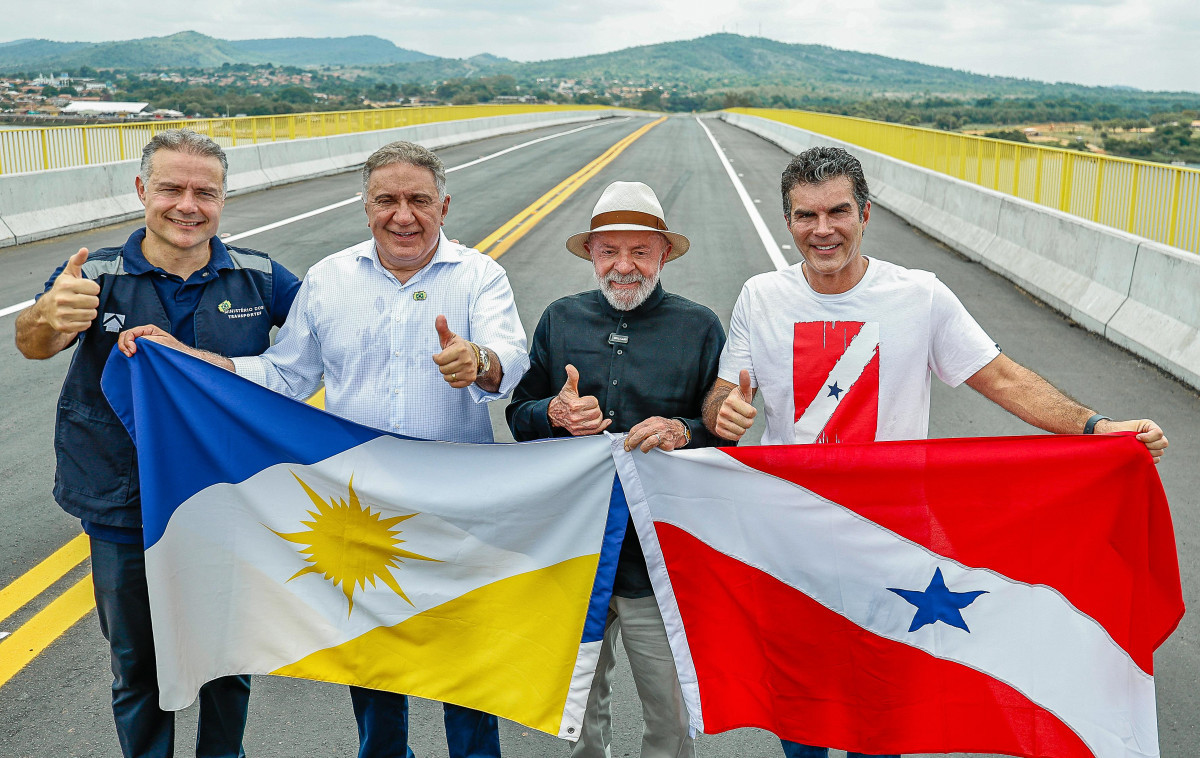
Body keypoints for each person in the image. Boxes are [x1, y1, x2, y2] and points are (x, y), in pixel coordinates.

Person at [701, 145, 1168, 758]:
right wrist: (721, 413)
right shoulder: (760, 296)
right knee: (802, 709)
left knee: (884, 709)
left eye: (837, 211)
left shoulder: (919, 295)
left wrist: (1093, 426)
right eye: (805, 216)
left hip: (893, 540)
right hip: (795, 537)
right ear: (787, 221)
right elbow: (721, 394)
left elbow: (999, 377)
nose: (823, 230)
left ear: (865, 213)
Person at [120, 140, 528, 758]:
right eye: (386, 200)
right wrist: (198, 363)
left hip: (453, 506)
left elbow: (512, 362)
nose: (403, 215)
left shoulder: (480, 276)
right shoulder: (330, 278)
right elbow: (286, 375)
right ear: (365, 208)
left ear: (443, 206)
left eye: (419, 200)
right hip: (360, 508)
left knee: (465, 665)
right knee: (374, 665)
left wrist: (480, 362)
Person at [15, 128, 302, 758]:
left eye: (206, 192)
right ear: (143, 190)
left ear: (224, 200)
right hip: (123, 504)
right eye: (171, 188)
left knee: (227, 664)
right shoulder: (94, 278)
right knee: (137, 667)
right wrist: (45, 315)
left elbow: (330, 344)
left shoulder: (259, 278)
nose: (188, 205)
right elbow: (35, 342)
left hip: (229, 500)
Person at [506, 181, 726, 758]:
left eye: (639, 251)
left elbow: (721, 433)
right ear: (592, 254)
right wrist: (553, 412)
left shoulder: (699, 327)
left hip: (662, 558)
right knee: (578, 714)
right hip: (577, 554)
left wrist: (685, 431)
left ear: (663, 255)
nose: (623, 266)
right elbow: (518, 415)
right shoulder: (560, 319)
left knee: (672, 718)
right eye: (610, 251)